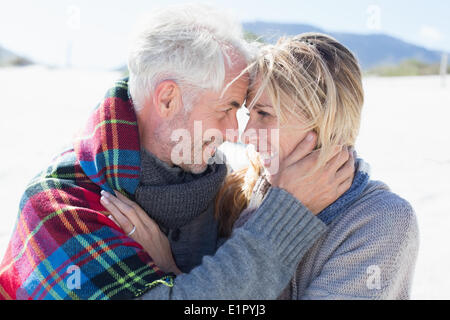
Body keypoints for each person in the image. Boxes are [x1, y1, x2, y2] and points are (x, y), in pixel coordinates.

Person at [0, 4, 353, 300]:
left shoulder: (217, 188)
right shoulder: (60, 202)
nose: (235, 133)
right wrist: (286, 215)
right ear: (168, 99)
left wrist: (171, 270)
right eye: (226, 109)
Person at [103, 33, 419, 299]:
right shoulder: (244, 190)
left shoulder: (380, 221)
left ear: (326, 121)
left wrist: (171, 272)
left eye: (265, 115)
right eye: (248, 114)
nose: (245, 134)